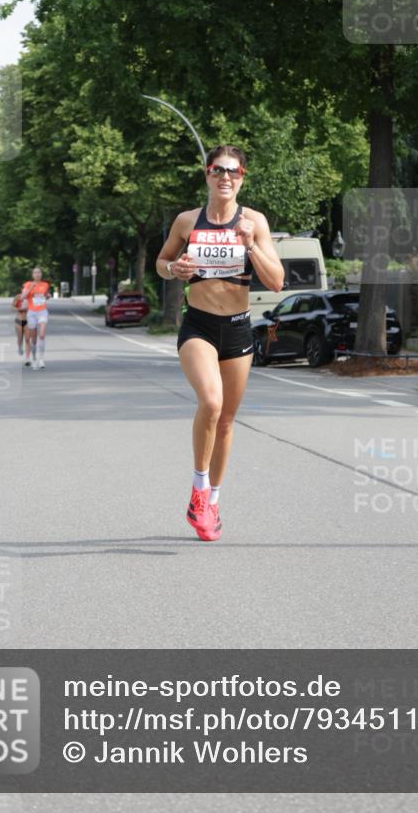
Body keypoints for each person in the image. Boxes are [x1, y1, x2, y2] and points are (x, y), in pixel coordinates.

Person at [156, 146, 284, 541]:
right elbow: (161, 264)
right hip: (198, 326)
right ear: (207, 174)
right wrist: (174, 268)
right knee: (210, 402)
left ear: (242, 176)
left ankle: (212, 499)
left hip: (239, 329)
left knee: (226, 421)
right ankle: (197, 489)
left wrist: (251, 245)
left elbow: (277, 281)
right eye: (218, 170)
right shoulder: (186, 221)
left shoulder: (254, 222)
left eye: (233, 171)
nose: (225, 177)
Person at [20, 268, 51, 370]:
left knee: (41, 335)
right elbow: (22, 297)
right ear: (32, 275)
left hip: (42, 312)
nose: (37, 274)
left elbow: (45, 296)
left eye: (39, 273)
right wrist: (30, 288)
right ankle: (33, 358)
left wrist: (48, 296)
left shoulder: (45, 285)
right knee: (33, 339)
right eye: (35, 273)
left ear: (41, 274)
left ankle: (41, 359)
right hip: (32, 313)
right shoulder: (27, 284)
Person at [11, 292, 31, 364]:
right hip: (18, 320)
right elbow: (12, 306)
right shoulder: (18, 296)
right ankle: (20, 347)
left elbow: (35, 307)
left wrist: (28, 308)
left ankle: (27, 358)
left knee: (27, 339)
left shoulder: (30, 297)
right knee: (20, 338)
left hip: (28, 321)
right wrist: (18, 309)